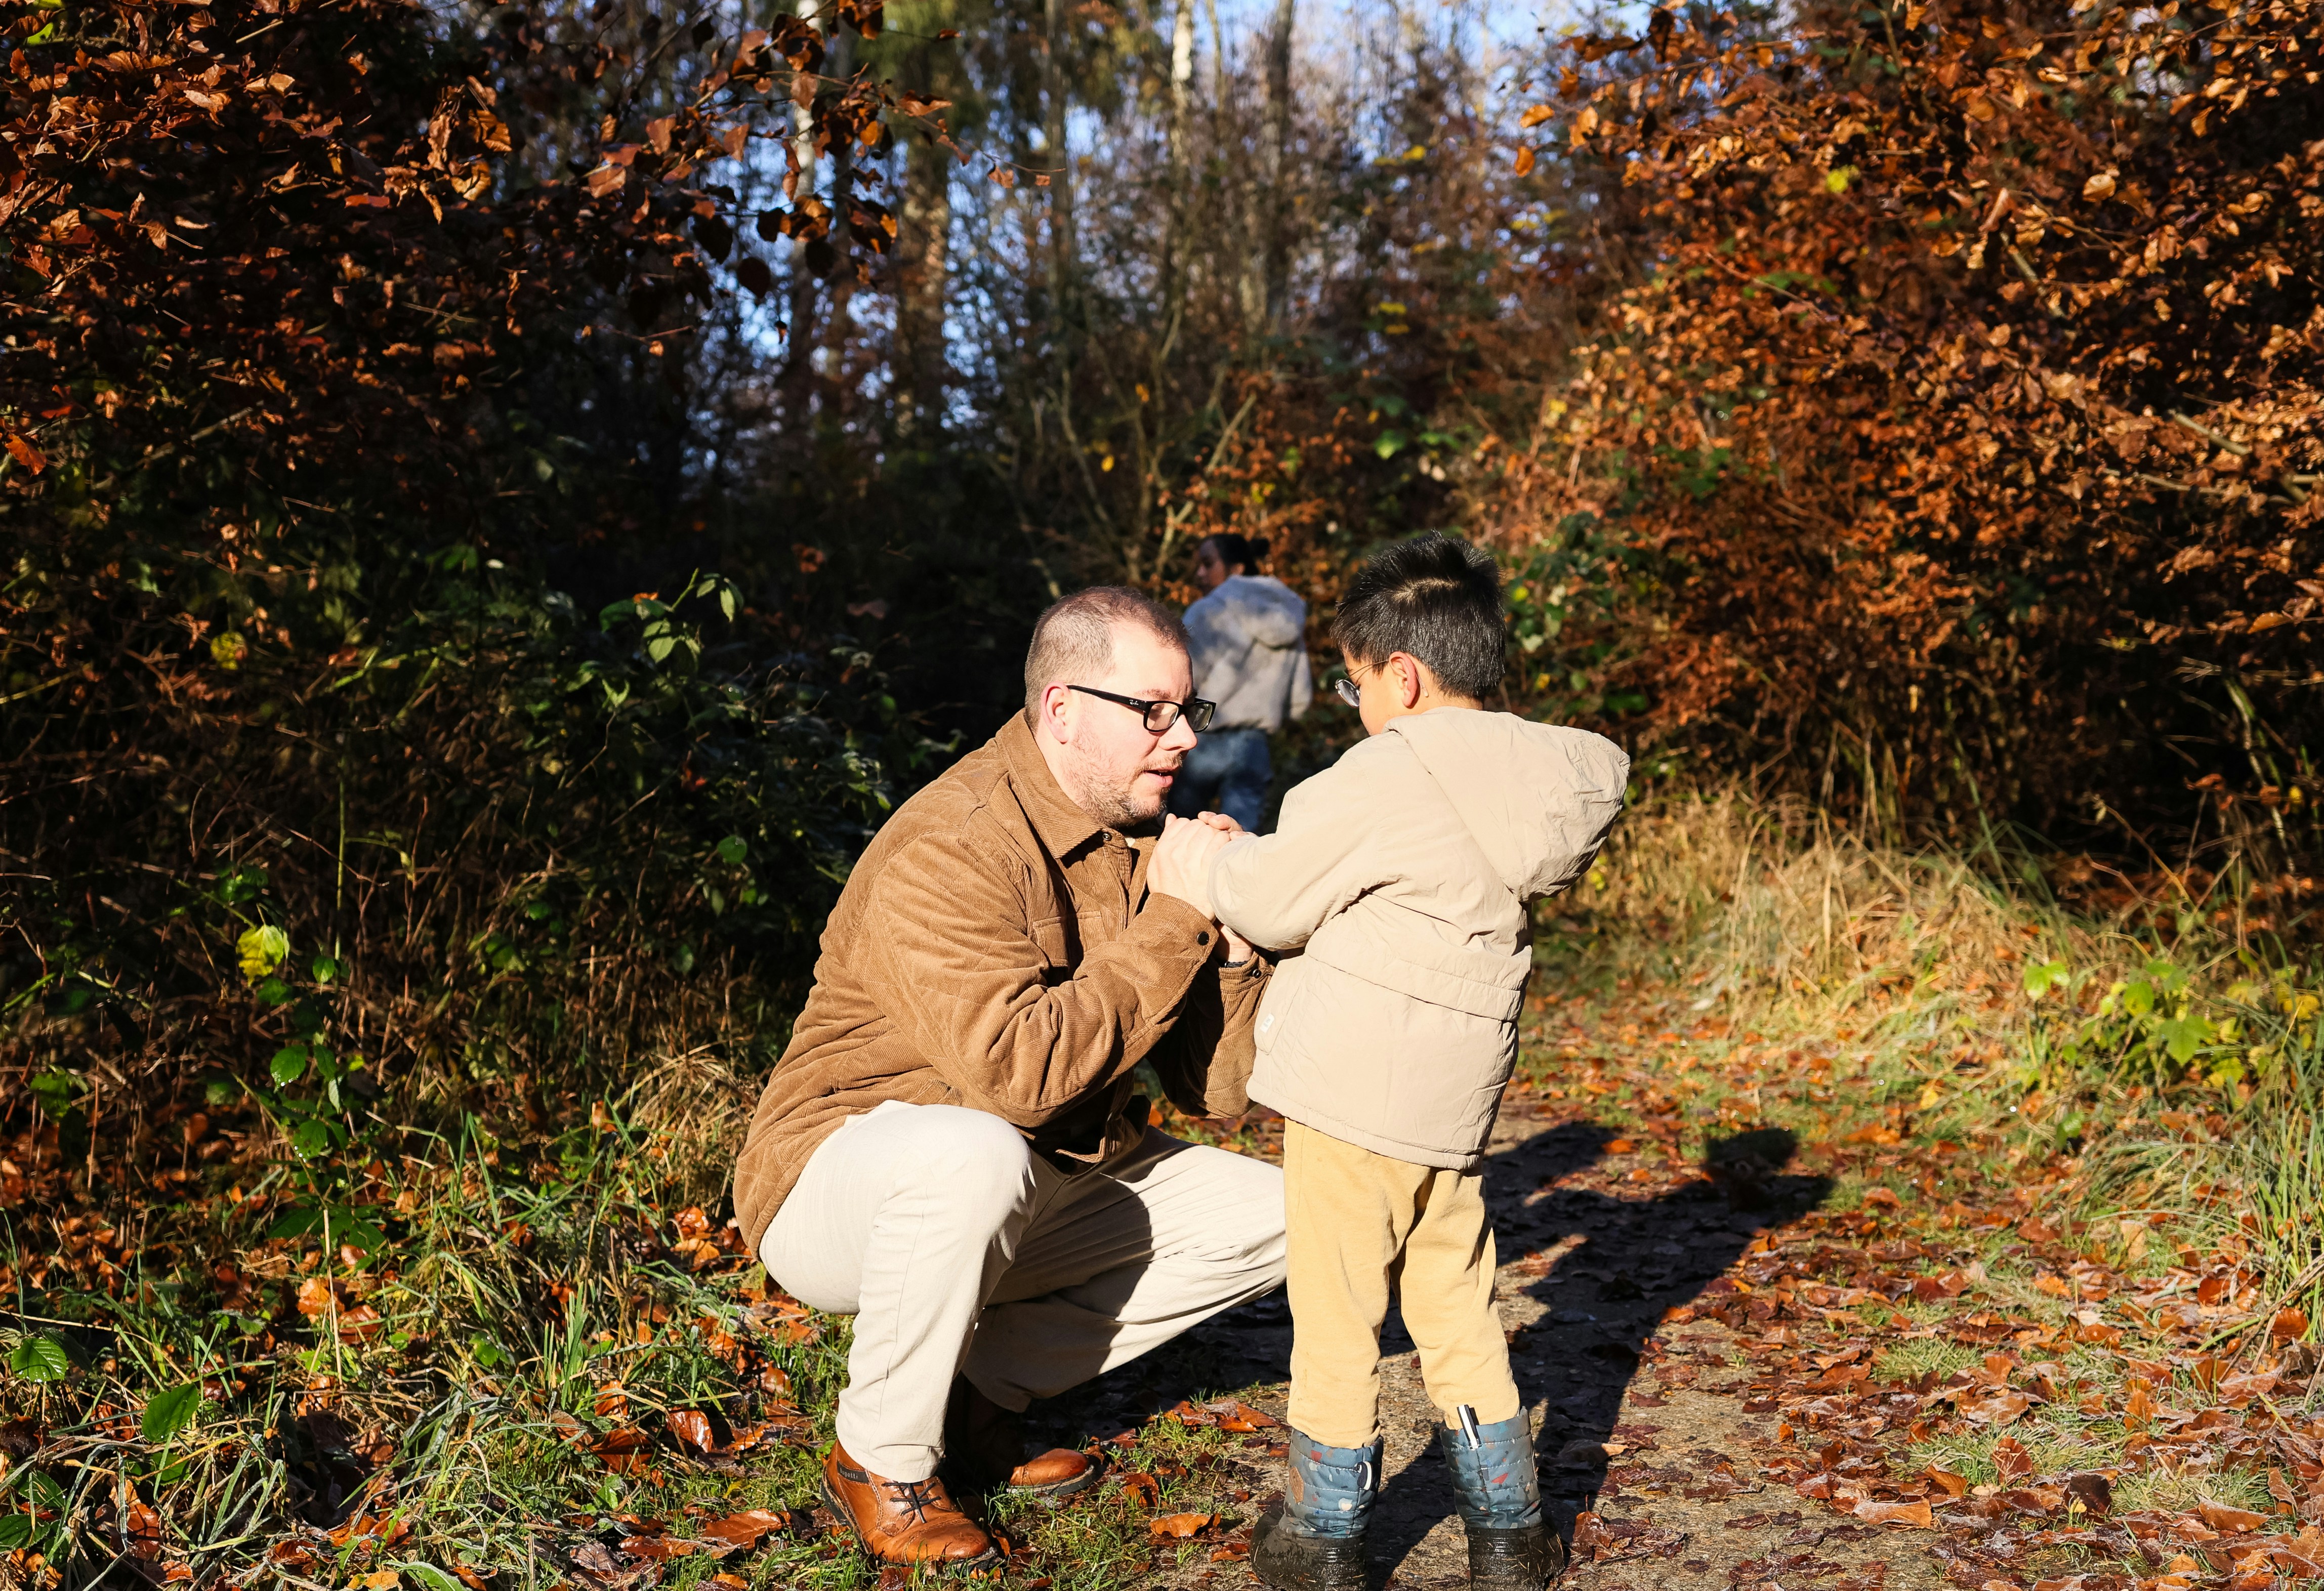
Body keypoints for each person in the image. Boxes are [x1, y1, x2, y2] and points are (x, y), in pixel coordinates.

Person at [728, 587, 1288, 1571]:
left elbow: (1217, 1097)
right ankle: (881, 1457)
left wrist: (1234, 950)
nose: (1182, 737)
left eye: (1187, 709)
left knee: (1291, 1212)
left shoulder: (1145, 839)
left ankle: (979, 1395)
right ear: (1060, 709)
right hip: (838, 1182)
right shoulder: (951, 842)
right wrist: (1172, 918)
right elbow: (1018, 1078)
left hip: (1036, 1175)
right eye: (1150, 711)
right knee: (971, 1153)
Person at [1207, 535, 1630, 1591]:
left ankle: (1322, 1533)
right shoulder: (1537, 780)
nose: (1354, 705)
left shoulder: (1381, 773)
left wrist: (1209, 857)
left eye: (1355, 684)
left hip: (1353, 1088)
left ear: (1403, 675)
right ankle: (1509, 1530)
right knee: (1456, 1301)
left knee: (1338, 1311)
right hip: (1454, 1095)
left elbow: (1266, 899)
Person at [1171, 533, 1314, 833]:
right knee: (1241, 844)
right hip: (1254, 745)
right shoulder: (1287, 612)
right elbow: (1300, 697)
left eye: (1208, 564)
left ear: (1236, 569)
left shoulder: (1210, 610)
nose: (1200, 573)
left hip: (1204, 739)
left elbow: (1182, 678)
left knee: (1177, 834)